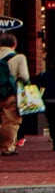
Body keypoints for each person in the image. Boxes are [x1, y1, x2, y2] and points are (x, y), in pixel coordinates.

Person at [0, 27, 25, 155]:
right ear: (14, 44)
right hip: (10, 93)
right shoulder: (19, 58)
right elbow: (24, 77)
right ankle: (5, 147)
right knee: (10, 121)